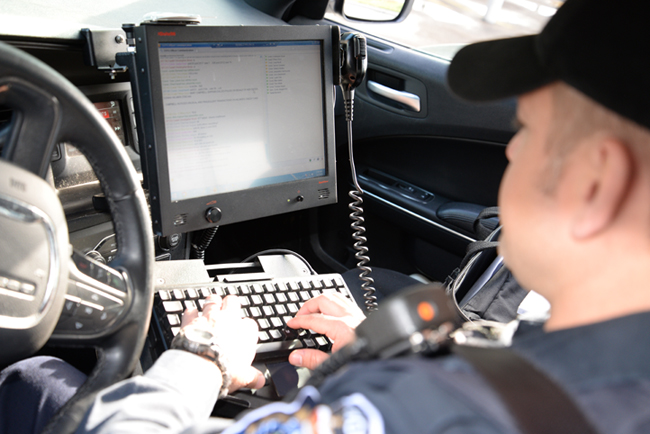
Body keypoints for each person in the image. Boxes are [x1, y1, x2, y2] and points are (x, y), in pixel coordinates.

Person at [6, 0, 649, 432]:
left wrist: (200, 358)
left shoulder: (409, 411)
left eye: (529, 128)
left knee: (34, 377)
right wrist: (380, 353)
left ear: (596, 181)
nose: (511, 148)